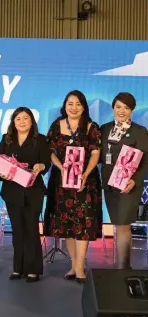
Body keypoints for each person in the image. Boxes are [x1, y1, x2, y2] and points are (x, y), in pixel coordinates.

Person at [44, 90, 102, 283]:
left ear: (83, 106)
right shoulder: (56, 125)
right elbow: (49, 151)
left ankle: (80, 268)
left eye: (78, 104)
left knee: (83, 223)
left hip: (86, 182)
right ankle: (73, 265)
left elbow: (95, 153)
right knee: (66, 224)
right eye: (70, 103)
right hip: (62, 182)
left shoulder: (92, 127)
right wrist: (62, 168)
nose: (74, 107)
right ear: (65, 105)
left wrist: (84, 173)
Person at [0, 107, 50, 283]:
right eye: (18, 118)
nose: (22, 122)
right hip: (12, 191)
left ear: (31, 122)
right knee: (17, 230)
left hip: (33, 191)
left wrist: (41, 166)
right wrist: (1, 174)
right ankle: (18, 268)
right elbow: (0, 163)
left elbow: (46, 163)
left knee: (31, 230)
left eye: (25, 118)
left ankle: (33, 269)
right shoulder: (6, 139)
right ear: (13, 121)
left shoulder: (40, 140)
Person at [101, 92, 148, 269]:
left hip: (128, 185)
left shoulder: (139, 131)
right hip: (108, 185)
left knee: (122, 224)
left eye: (126, 108)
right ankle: (121, 266)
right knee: (116, 222)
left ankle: (123, 268)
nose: (122, 111)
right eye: (119, 106)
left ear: (132, 110)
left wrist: (134, 180)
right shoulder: (104, 129)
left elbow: (145, 161)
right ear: (113, 107)